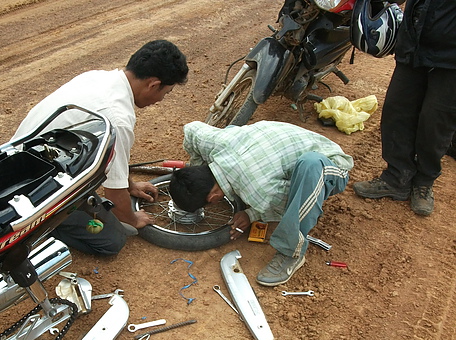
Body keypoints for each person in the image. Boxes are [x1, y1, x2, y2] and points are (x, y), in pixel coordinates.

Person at [12, 40, 188, 255]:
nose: (161, 99)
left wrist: (129, 185)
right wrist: (132, 218)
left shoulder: (97, 77)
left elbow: (111, 164)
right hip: (33, 188)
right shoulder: (117, 118)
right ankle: (37, 227)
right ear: (153, 84)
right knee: (112, 241)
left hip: (20, 157)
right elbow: (114, 195)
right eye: (166, 92)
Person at [168, 121, 353, 287]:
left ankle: (291, 253)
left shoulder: (259, 191)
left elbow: (288, 205)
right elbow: (190, 129)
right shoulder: (213, 141)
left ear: (213, 197)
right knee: (232, 131)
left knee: (308, 169)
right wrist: (196, 164)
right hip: (287, 143)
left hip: (331, 163)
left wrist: (252, 214)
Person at [352, 0, 456, 216]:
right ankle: (397, 177)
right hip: (413, 46)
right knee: (397, 110)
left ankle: (424, 183)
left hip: (451, 59)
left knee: (436, 120)